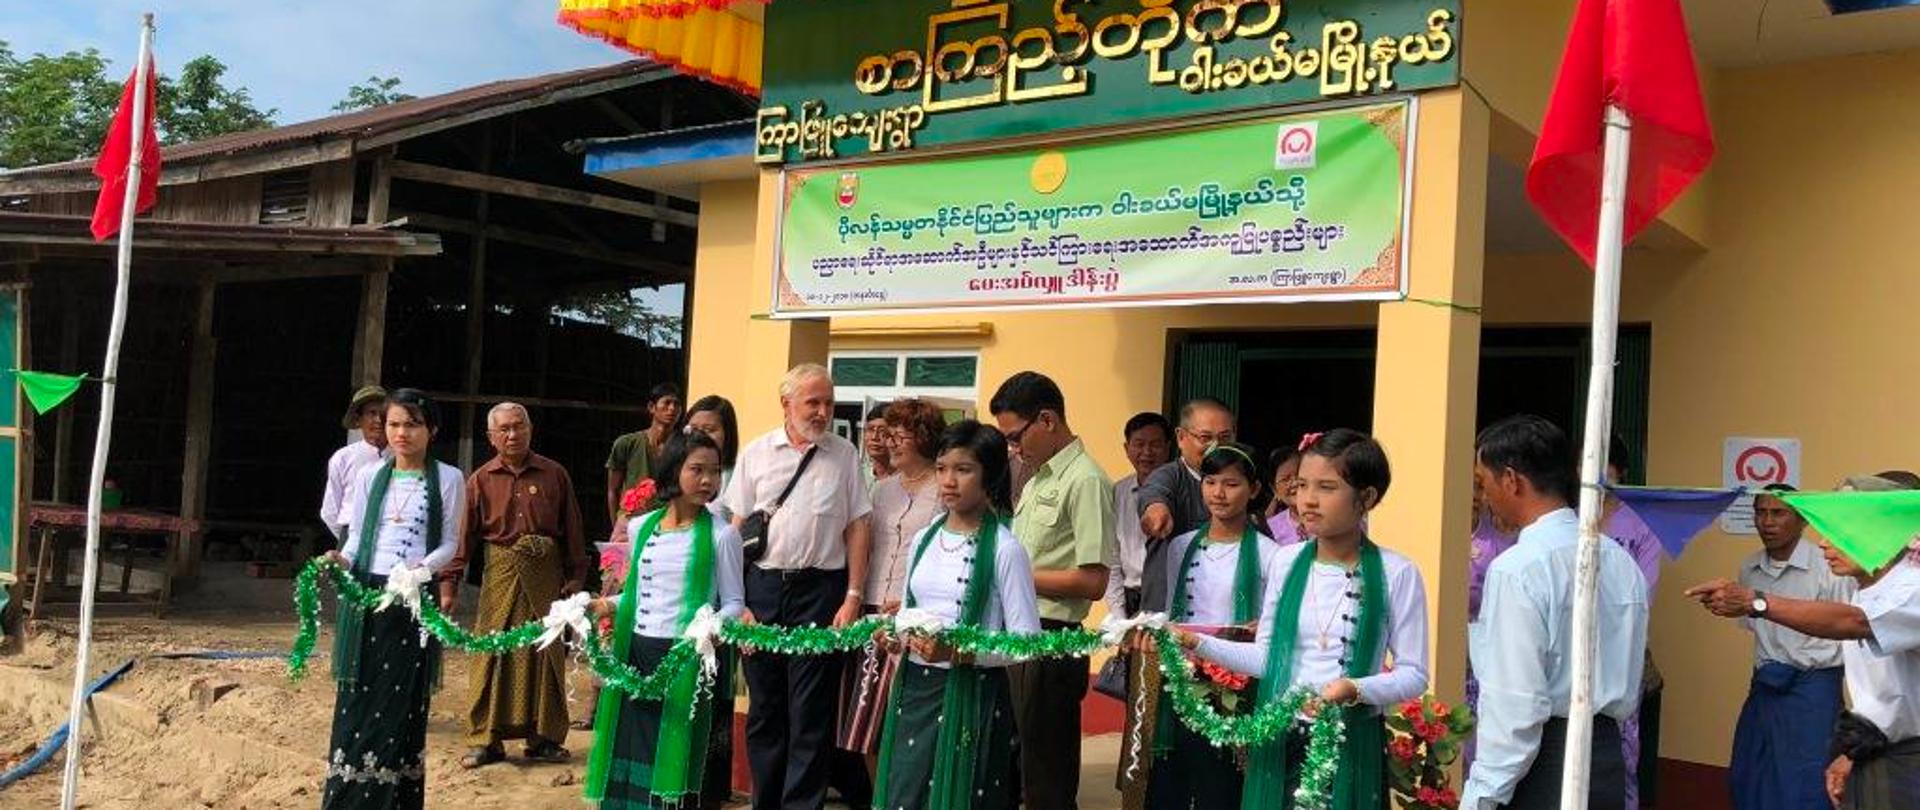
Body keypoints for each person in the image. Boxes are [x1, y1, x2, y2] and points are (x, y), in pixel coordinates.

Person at [1174, 429, 1428, 810]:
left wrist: (1354, 689)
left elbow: (1414, 674)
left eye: (1326, 487)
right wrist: (1194, 642)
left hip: (1347, 739)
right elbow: (1267, 658)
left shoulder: (1398, 572)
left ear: (1367, 497)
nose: (1308, 500)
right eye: (1301, 485)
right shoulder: (1287, 561)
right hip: (1280, 735)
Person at [1686, 473, 1920, 810]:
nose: (1824, 543)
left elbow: (1851, 623)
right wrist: (1852, 755)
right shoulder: (1864, 590)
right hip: (1872, 745)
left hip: (1906, 761)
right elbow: (1884, 699)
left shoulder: (1909, 588)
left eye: (1839, 532)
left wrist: (1757, 601)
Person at [1461, 415, 1648, 810]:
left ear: (1511, 480)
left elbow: (1516, 703)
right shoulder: (1618, 561)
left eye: (1483, 482)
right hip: (1605, 757)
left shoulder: (1518, 568)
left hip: (1543, 764)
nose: (1483, 495)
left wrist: (1483, 793)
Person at [723, 363, 873, 810]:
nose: (823, 411)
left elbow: (858, 526)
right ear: (786, 404)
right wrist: (738, 602)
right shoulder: (756, 453)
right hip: (762, 591)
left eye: (827, 402)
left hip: (821, 593)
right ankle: (764, 803)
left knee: (811, 714)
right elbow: (733, 531)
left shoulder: (845, 455)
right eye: (813, 402)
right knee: (766, 710)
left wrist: (852, 596)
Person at [870, 420, 1041, 810]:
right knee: (905, 794)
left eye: (963, 470)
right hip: (914, 688)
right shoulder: (926, 537)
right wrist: (893, 633)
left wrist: (958, 652)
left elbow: (1027, 643)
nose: (949, 480)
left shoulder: (1005, 549)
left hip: (973, 693)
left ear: (990, 476)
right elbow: (914, 610)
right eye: (943, 468)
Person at [582, 430, 747, 809]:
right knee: (632, 749)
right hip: (636, 653)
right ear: (673, 470)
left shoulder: (722, 536)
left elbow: (735, 602)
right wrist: (604, 605)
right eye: (697, 469)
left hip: (684, 660)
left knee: (673, 754)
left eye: (715, 471)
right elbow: (639, 594)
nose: (708, 480)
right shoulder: (643, 528)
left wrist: (710, 627)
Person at [320, 388, 464, 810]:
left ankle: (393, 799)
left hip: (412, 599)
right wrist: (340, 560)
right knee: (358, 692)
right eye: (394, 424)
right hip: (367, 593)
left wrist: (420, 570)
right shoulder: (369, 476)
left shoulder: (449, 478)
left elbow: (450, 544)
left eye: (412, 424)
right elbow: (358, 539)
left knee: (398, 697)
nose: (402, 433)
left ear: (431, 430)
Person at [1683, 485, 1851, 810]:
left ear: (1801, 520)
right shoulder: (1749, 568)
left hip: (1813, 692)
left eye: (1778, 513)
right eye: (1761, 512)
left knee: (1808, 785)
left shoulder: (1827, 565)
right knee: (1750, 776)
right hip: (1764, 686)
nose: (1768, 522)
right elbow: (1754, 628)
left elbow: (1846, 625)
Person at [989, 371, 1113, 810]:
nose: (1012, 448)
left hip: (1052, 637)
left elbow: (1093, 580)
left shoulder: (1085, 479)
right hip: (1016, 631)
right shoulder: (1037, 476)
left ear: (1047, 420)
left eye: (1016, 436)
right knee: (1008, 764)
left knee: (1046, 776)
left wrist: (1010, 573)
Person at [440, 403, 587, 768]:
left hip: (547, 577)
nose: (512, 434)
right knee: (492, 652)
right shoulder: (480, 479)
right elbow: (465, 538)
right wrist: (450, 583)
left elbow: (572, 530)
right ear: (491, 437)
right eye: (503, 429)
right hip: (500, 576)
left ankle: (545, 739)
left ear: (530, 429)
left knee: (546, 651)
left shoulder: (555, 475)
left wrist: (576, 578)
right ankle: (485, 740)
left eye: (518, 426)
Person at [1138, 442, 1284, 808]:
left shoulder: (1272, 555)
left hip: (1237, 681)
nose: (1218, 493)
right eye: (1210, 482)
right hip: (1183, 674)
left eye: (1231, 484)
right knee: (1173, 772)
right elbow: (1174, 613)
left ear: (1254, 490)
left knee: (1220, 783)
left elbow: (1275, 624)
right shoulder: (1180, 547)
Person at [840, 398, 947, 759]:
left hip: (916, 616)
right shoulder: (881, 490)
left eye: (899, 436)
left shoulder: (944, 488)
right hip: (873, 614)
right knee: (868, 727)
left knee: (908, 722)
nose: (890, 443)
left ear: (924, 437)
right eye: (888, 436)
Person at [1600, 436, 1664, 809]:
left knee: (1622, 750)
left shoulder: (1640, 525)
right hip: (1566, 655)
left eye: (1604, 466)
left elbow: (1644, 593)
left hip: (1622, 655)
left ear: (1621, 472)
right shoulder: (1567, 518)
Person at [1137, 398, 1237, 613]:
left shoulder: (1242, 482)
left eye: (1224, 438)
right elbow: (1155, 493)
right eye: (1205, 438)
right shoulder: (1169, 476)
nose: (1216, 447)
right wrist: (1156, 510)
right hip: (1167, 616)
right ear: (1181, 438)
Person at [1106, 411, 1173, 618]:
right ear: (1127, 449)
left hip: (1168, 599)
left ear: (1169, 448)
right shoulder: (1117, 492)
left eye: (1155, 444)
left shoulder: (1179, 491)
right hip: (1129, 597)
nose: (1147, 452)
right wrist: (1119, 616)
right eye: (1139, 444)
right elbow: (1112, 556)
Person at [607, 383, 683, 527]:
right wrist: (616, 524)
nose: (672, 408)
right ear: (651, 407)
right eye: (667, 403)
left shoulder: (683, 447)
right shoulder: (626, 443)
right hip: (631, 520)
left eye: (677, 404)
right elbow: (613, 490)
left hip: (667, 521)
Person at [320, 385, 389, 543]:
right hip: (351, 534)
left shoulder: (401, 457)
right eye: (371, 413)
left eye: (383, 414)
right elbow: (329, 511)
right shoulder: (343, 457)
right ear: (358, 419)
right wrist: (351, 541)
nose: (378, 420)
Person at [684, 395, 740, 522]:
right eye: (693, 429)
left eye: (708, 430)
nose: (699, 435)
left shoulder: (739, 474)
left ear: (727, 433)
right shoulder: (676, 469)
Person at [1265, 445, 1305, 545]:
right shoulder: (1270, 529)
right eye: (1285, 479)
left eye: (1299, 475)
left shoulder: (1329, 517)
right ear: (1274, 490)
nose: (1295, 483)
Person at [862, 403, 895, 487]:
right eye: (870, 429)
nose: (874, 437)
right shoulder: (857, 474)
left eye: (882, 431)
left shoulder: (906, 480)